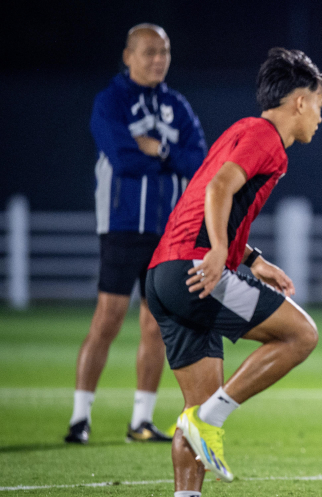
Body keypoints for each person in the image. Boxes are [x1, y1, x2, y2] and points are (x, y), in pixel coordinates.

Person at [146, 47, 322, 497]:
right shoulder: (266, 136)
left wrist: (251, 258)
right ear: (301, 101)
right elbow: (220, 187)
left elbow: (217, 194)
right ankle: (211, 419)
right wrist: (222, 252)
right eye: (320, 103)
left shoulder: (242, 131)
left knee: (195, 409)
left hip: (165, 274)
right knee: (300, 335)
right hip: (197, 270)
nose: (321, 115)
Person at [65, 24, 207, 445]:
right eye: (148, 52)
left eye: (163, 51)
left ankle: (140, 421)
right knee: (106, 320)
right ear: (128, 56)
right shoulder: (111, 100)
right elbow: (122, 159)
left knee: (154, 326)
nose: (158, 59)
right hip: (122, 226)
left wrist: (159, 149)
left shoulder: (177, 106)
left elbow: (198, 160)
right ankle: (80, 418)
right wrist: (169, 159)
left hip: (168, 233)